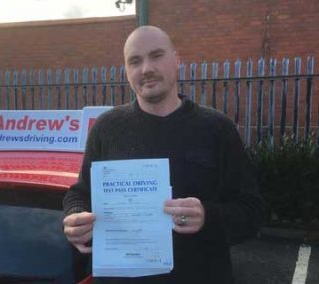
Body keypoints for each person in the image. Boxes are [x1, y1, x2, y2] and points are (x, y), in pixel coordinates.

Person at [63, 25, 265, 284]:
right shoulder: (107, 128)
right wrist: (76, 217)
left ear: (176, 60)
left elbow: (253, 211)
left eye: (156, 55)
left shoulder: (216, 128)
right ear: (126, 71)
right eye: (135, 61)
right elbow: (79, 193)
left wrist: (208, 217)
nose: (146, 68)